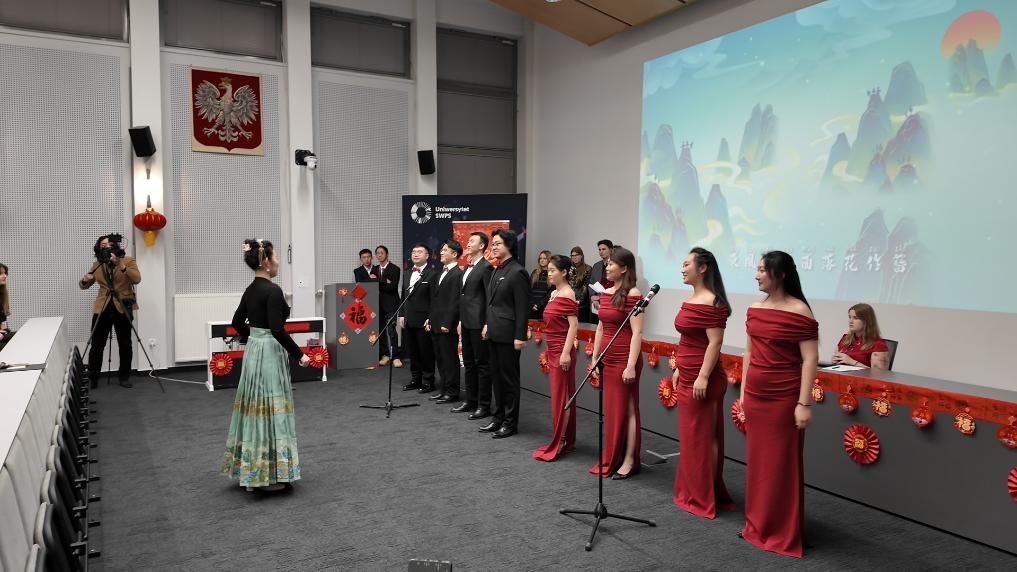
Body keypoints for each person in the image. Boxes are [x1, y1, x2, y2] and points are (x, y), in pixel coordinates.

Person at [740, 251, 819, 558]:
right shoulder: (754, 308)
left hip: (784, 397)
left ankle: (782, 530)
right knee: (758, 463)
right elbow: (749, 353)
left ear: (781, 274)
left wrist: (803, 403)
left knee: (781, 465)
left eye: (763, 270)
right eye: (757, 269)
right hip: (756, 396)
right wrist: (744, 394)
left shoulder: (799, 310)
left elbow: (809, 359)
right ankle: (758, 524)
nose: (757, 275)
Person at [222, 239, 310, 493]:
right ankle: (273, 474)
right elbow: (277, 329)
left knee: (254, 407)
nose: (279, 262)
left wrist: (252, 337)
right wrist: (300, 354)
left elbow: (236, 322)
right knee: (273, 408)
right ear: (267, 262)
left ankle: (252, 470)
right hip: (270, 352)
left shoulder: (250, 290)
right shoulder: (273, 290)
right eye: (276, 257)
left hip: (254, 351)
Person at [672, 247, 735, 518]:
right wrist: (679, 367)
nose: (682, 269)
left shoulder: (712, 301)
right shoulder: (691, 298)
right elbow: (687, 338)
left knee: (705, 436)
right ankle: (695, 489)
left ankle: (705, 492)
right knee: (692, 437)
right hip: (687, 375)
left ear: (703, 268)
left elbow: (715, 343)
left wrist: (703, 376)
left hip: (703, 379)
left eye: (687, 264)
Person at [589, 246, 644, 478]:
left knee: (628, 409)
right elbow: (601, 327)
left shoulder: (633, 294)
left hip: (624, 359)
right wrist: (595, 357)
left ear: (624, 269)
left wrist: (631, 365)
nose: (607, 267)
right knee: (612, 410)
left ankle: (629, 459)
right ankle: (615, 454)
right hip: (607, 358)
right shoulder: (606, 292)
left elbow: (637, 332)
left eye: (611, 264)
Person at [480, 229, 530, 439]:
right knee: (496, 378)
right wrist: (487, 324)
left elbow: (522, 308)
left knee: (509, 380)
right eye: (493, 244)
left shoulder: (517, 272)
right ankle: (497, 417)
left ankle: (510, 423)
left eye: (498, 243)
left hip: (509, 335)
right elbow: (491, 304)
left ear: (509, 245)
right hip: (494, 332)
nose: (493, 247)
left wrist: (520, 335)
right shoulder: (496, 270)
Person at [79, 234, 141, 389]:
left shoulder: (128, 261)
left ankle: (124, 377)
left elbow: (137, 279)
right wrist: (85, 280)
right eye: (102, 246)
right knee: (97, 344)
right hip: (103, 306)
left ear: (115, 246)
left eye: (108, 245)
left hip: (122, 305)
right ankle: (93, 378)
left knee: (125, 343)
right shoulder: (97, 264)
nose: (106, 247)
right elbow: (84, 285)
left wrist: (120, 264)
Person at [533, 254, 579, 462]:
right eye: (548, 270)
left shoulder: (568, 293)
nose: (549, 274)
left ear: (564, 272)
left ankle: (560, 440)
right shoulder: (554, 293)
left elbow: (573, 326)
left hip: (562, 350)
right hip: (553, 348)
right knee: (559, 396)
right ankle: (563, 438)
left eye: (553, 270)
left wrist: (566, 352)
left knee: (562, 398)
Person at [454, 232, 494, 419]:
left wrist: (487, 323)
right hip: (466, 322)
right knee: (468, 363)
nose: (468, 244)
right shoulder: (467, 268)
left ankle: (483, 405)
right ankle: (470, 400)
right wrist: (460, 320)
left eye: (472, 241)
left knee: (482, 365)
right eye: (468, 241)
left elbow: (489, 298)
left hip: (479, 323)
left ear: (482, 245)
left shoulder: (486, 267)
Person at [426, 240, 464, 404]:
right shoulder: (440, 273)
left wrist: (448, 323)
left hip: (447, 325)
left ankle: (452, 392)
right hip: (435, 322)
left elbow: (455, 301)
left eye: (445, 250)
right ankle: (444, 389)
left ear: (454, 254)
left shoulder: (458, 274)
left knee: (450, 359)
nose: (441, 252)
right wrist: (430, 318)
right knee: (440, 359)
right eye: (441, 249)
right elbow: (435, 300)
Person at [400, 244, 436, 393]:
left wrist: (431, 318)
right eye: (414, 251)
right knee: (413, 352)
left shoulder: (432, 274)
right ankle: (416, 379)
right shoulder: (407, 273)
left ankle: (428, 381)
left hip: (424, 320)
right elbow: (403, 296)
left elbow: (434, 299)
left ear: (427, 256)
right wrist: (401, 314)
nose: (415, 254)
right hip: (409, 318)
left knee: (426, 352)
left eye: (419, 252)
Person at [371, 245, 402, 368]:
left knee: (391, 330)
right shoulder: (374, 269)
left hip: (391, 303)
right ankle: (385, 355)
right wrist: (384, 281)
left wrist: (378, 281)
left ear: (387, 254)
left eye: (382, 253)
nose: (379, 255)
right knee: (380, 329)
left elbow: (392, 287)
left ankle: (396, 356)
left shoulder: (395, 269)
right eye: (377, 253)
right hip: (377, 303)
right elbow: (371, 284)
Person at [833, 303, 889, 370]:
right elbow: (835, 359)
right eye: (850, 317)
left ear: (867, 321)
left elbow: (879, 374)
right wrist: (835, 360)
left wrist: (852, 362)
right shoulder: (845, 338)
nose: (850, 321)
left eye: (855, 318)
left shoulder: (878, 344)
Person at [587, 239, 614, 320]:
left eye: (604, 249)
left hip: (610, 302)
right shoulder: (596, 266)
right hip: (596, 303)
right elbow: (591, 283)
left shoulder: (616, 265)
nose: (601, 252)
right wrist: (593, 296)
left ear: (611, 250)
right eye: (599, 250)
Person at [569, 247, 592, 323]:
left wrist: (579, 301)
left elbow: (586, 286)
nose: (574, 257)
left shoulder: (588, 268)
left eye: (576, 255)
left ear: (581, 256)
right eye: (572, 255)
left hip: (582, 304)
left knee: (581, 325)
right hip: (569, 301)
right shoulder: (569, 268)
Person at [529, 250, 552, 319]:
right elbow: (528, 289)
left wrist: (539, 304)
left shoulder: (551, 273)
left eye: (544, 258)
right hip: (532, 307)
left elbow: (551, 293)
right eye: (540, 258)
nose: (542, 260)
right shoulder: (535, 272)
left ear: (549, 260)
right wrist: (532, 303)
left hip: (544, 308)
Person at [0, 263, 11, 349]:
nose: (4, 276)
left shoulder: (1, 294)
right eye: (0, 274)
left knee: (21, 337)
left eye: (5, 273)